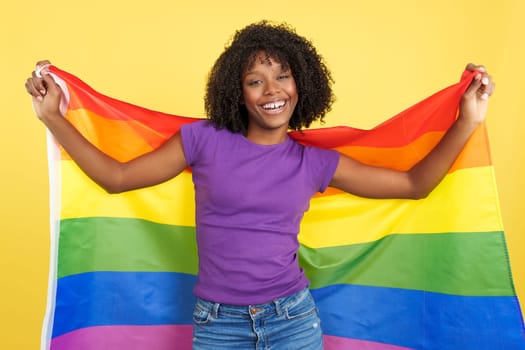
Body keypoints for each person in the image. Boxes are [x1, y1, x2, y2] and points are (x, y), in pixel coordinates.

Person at [25, 21, 494, 350]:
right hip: (217, 326)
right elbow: (116, 178)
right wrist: (53, 117)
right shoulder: (201, 141)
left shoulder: (314, 163)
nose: (272, 91)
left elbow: (414, 183)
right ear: (237, 92)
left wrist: (468, 119)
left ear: (301, 82)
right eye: (256, 81)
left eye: (282, 76)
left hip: (293, 321)